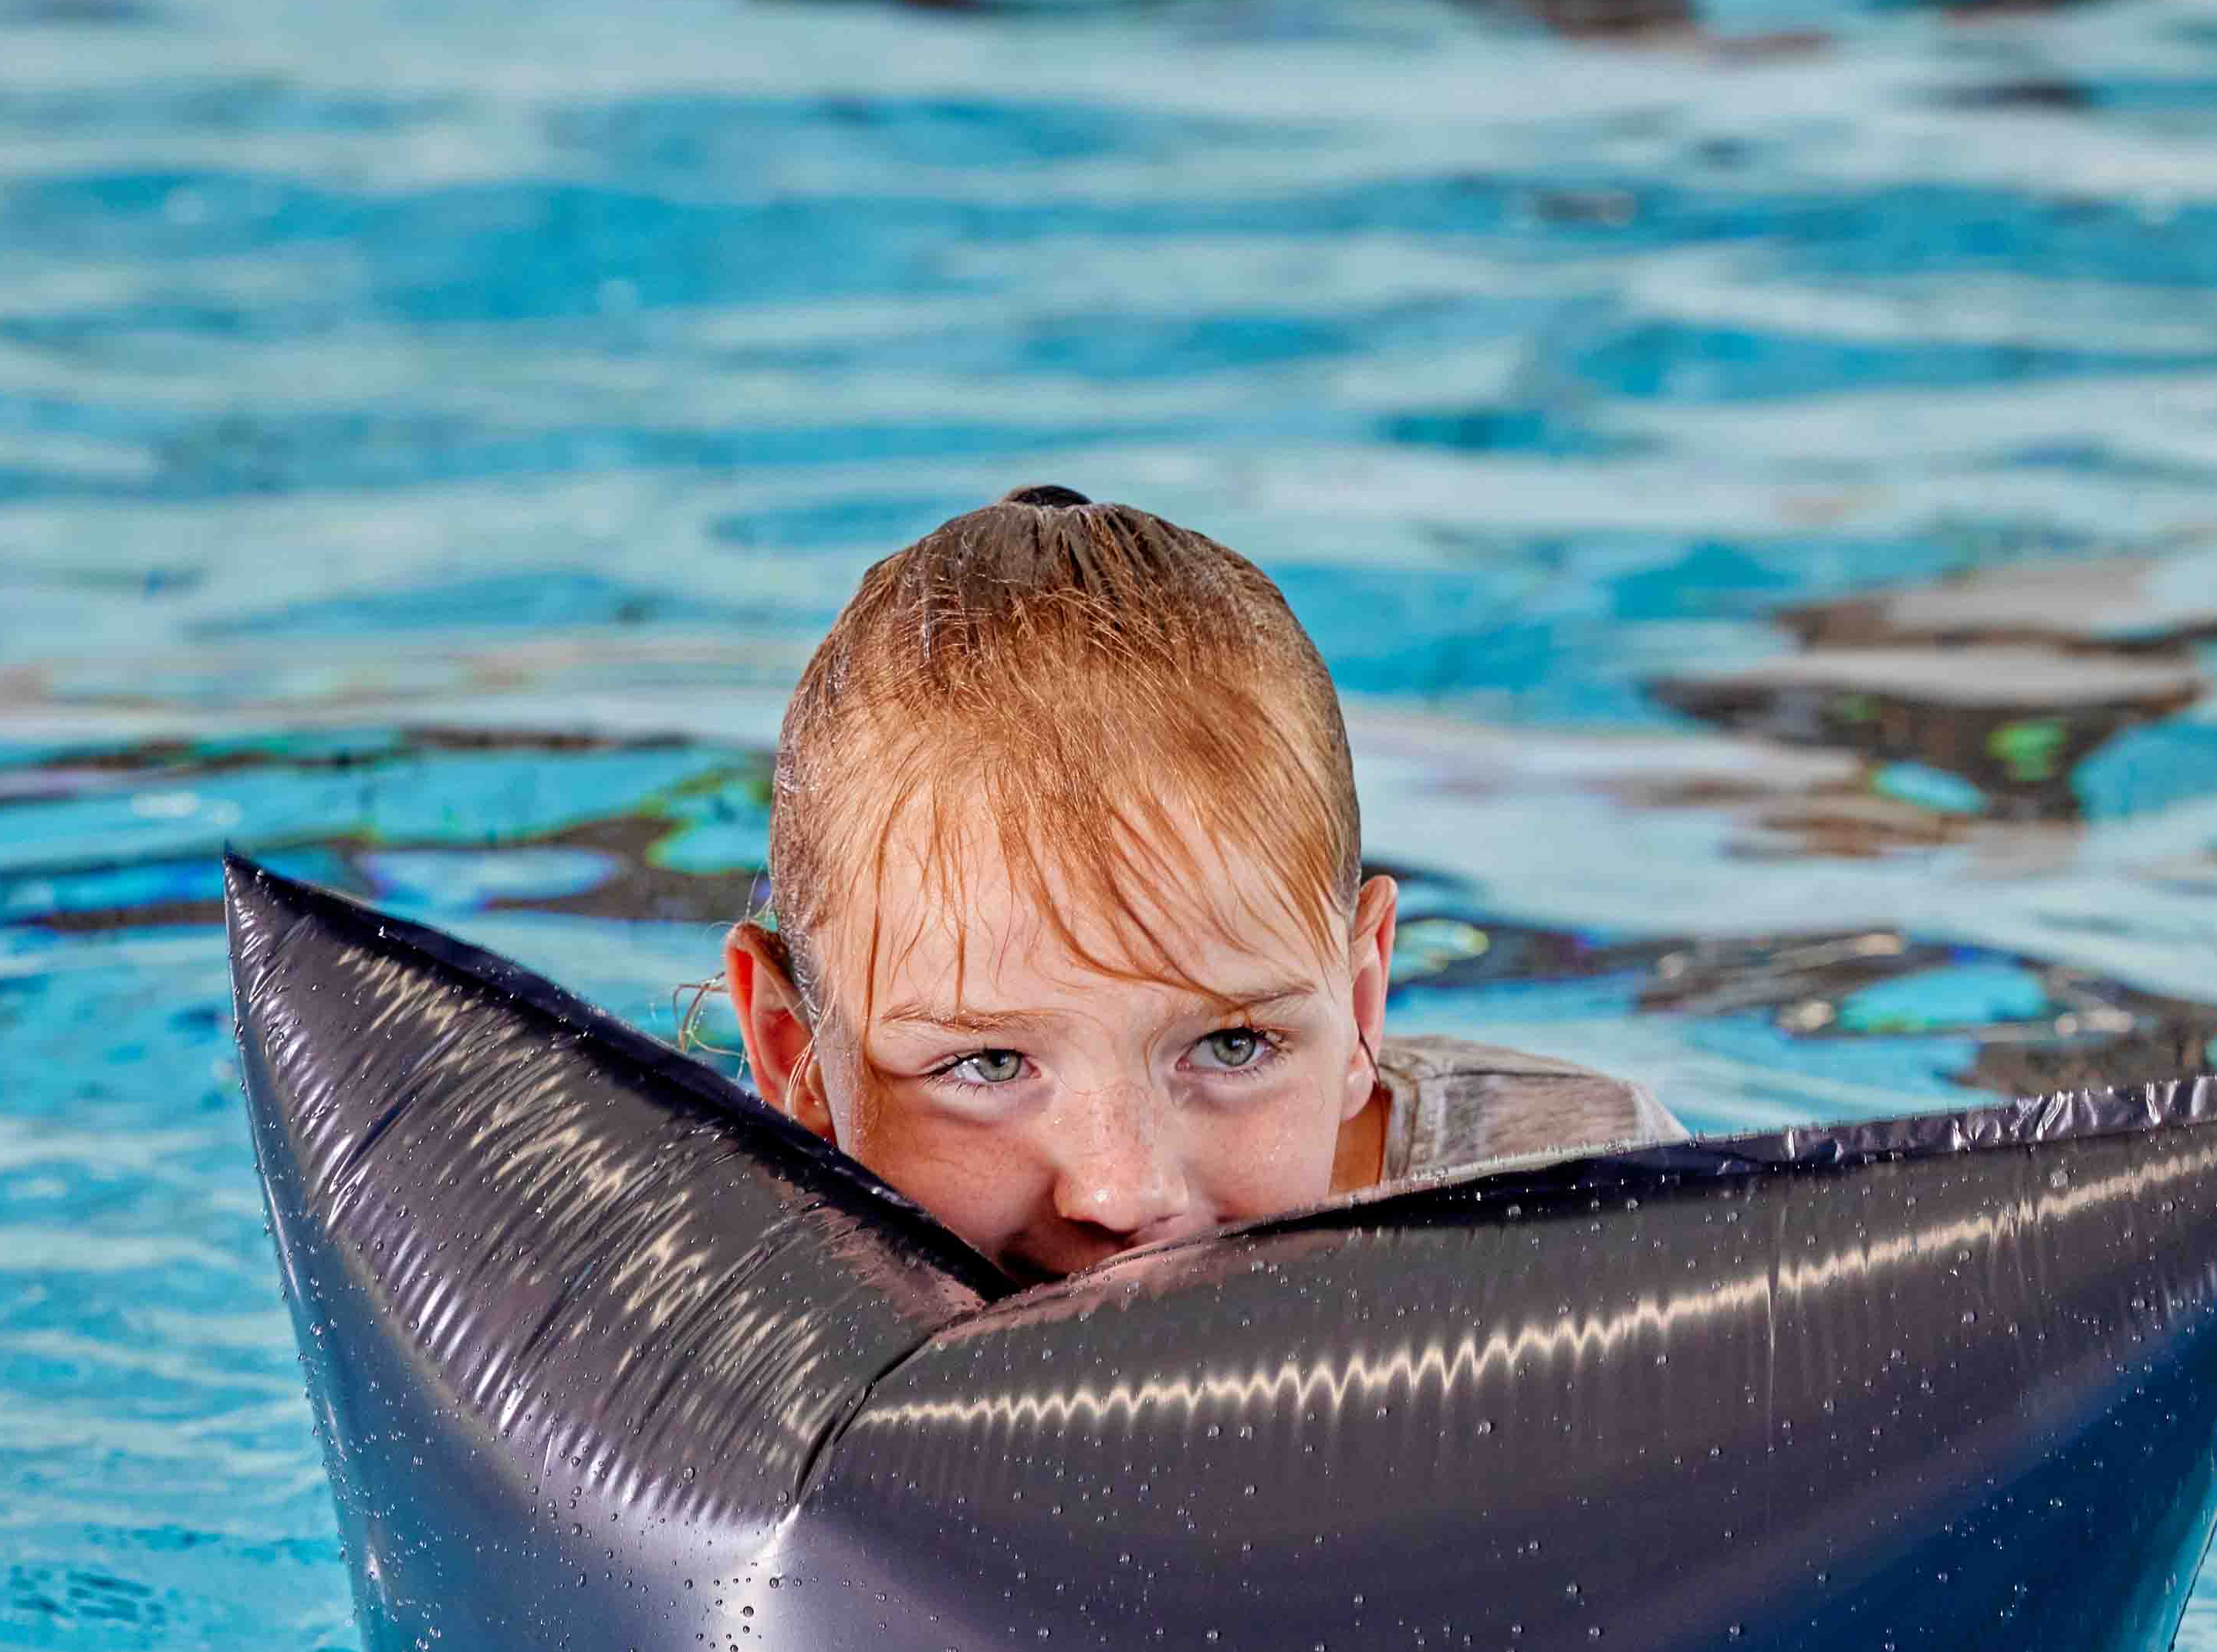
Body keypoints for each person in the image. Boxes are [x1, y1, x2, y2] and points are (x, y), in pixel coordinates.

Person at [719, 486, 1680, 1283]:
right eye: (989, 1064)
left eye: (1230, 1044)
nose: (1122, 1195)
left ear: (1358, 1004)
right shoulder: (706, 1280)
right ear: (792, 1050)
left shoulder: (1595, 1210)